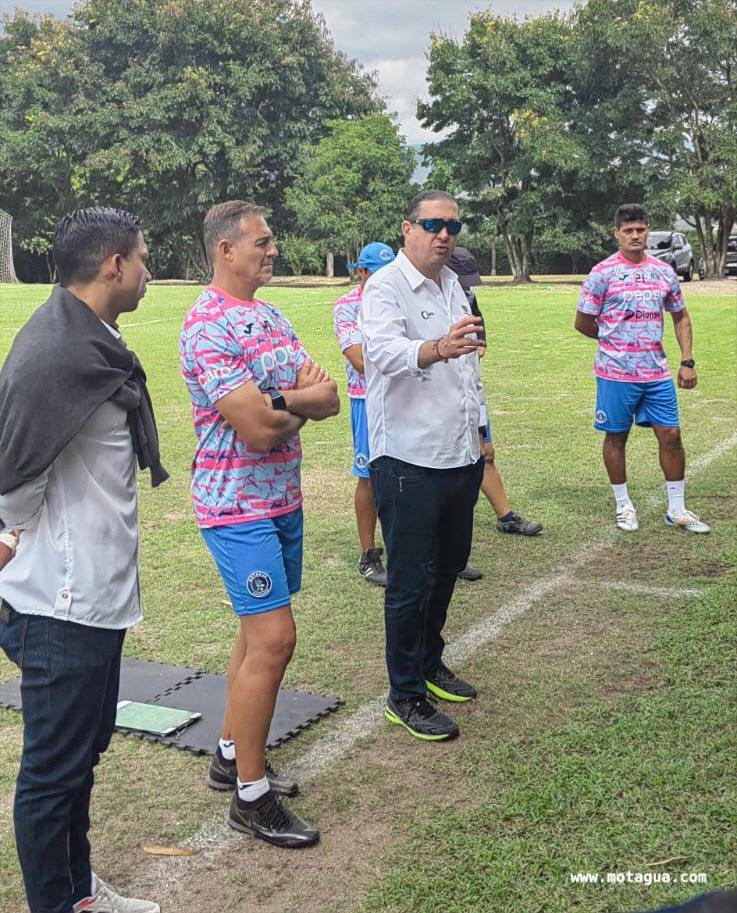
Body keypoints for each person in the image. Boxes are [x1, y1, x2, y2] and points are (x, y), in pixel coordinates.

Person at [0, 208, 165, 913]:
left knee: (79, 755)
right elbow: (12, 475)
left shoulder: (91, 337)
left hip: (95, 595)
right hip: (59, 602)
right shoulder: (55, 352)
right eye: (144, 258)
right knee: (51, 771)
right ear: (113, 266)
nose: (149, 270)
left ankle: (80, 891)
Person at [180, 201, 339, 849]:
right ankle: (249, 796)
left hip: (280, 499)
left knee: (256, 634)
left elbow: (327, 395)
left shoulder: (272, 316)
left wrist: (287, 404)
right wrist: (292, 402)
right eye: (262, 242)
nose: (272, 250)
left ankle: (228, 752)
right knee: (275, 639)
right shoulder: (205, 324)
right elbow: (254, 427)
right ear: (226, 249)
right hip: (234, 503)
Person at [361, 189, 488, 742]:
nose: (445, 234)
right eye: (433, 224)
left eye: (453, 225)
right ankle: (404, 694)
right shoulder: (385, 287)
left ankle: (429, 660)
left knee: (448, 566)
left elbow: (469, 369)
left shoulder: (453, 282)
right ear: (406, 227)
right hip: (409, 458)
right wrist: (436, 346)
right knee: (410, 581)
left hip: (459, 454)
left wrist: (480, 432)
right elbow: (383, 353)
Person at [575, 203, 710, 533]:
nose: (635, 235)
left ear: (648, 231)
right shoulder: (602, 273)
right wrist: (614, 340)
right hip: (615, 373)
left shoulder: (664, 272)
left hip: (657, 373)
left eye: (640, 229)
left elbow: (680, 315)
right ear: (617, 234)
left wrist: (687, 360)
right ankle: (624, 505)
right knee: (616, 438)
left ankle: (676, 508)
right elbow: (583, 322)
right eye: (628, 230)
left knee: (672, 435)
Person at [448, 247, 543, 538]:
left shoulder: (467, 296)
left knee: (485, 452)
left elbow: (478, 324)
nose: (467, 285)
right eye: (462, 278)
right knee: (455, 461)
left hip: (471, 387)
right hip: (445, 394)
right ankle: (447, 532)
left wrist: (480, 343)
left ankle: (506, 517)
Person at [333, 242, 395, 587]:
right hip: (366, 399)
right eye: (377, 273)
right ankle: (369, 554)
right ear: (362, 272)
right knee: (369, 475)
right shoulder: (348, 306)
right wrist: (406, 359)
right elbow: (358, 359)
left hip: (402, 396)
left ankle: (414, 549)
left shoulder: (399, 297)